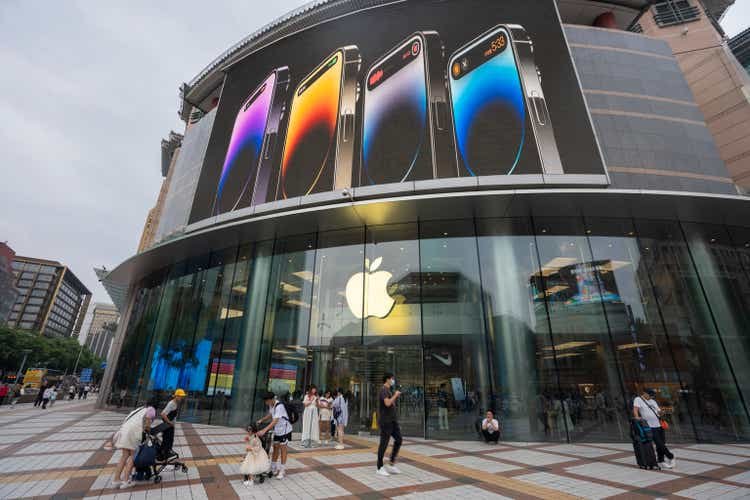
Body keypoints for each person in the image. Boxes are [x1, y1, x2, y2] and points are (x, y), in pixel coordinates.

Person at [112, 402, 157, 489]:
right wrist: (149, 431)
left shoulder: (138, 409)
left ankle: (116, 480)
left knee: (124, 456)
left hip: (124, 431)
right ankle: (126, 481)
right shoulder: (151, 409)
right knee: (133, 456)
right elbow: (148, 422)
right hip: (133, 432)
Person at [634, 388, 675, 469]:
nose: (651, 397)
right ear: (645, 393)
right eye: (650, 395)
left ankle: (661, 461)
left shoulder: (653, 401)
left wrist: (662, 412)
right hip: (650, 426)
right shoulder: (638, 399)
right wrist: (637, 417)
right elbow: (635, 409)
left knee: (661, 444)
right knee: (659, 443)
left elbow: (658, 412)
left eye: (652, 396)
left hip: (659, 425)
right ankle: (671, 456)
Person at [257, 391, 293, 480]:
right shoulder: (271, 405)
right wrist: (262, 420)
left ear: (272, 399)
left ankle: (282, 470)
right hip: (278, 429)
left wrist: (264, 430)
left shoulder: (279, 406)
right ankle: (273, 468)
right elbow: (271, 414)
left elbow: (275, 421)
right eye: (265, 401)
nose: (266, 403)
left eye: (267, 401)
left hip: (285, 430)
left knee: (283, 448)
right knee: (275, 447)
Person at [376, 372, 402, 477]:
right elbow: (387, 403)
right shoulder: (383, 390)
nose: (393, 380)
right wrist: (395, 395)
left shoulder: (388, 390)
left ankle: (391, 463)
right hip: (386, 421)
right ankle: (379, 467)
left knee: (399, 439)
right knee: (384, 443)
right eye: (392, 378)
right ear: (387, 379)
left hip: (393, 421)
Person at [151, 388, 186, 459]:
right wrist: (170, 422)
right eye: (180, 396)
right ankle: (162, 455)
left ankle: (165, 454)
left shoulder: (176, 403)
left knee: (169, 440)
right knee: (167, 440)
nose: (181, 398)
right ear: (176, 396)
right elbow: (163, 414)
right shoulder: (171, 403)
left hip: (170, 426)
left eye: (182, 396)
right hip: (167, 426)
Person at [240, 423, 271, 487]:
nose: (248, 431)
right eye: (247, 430)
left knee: (251, 467)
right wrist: (247, 441)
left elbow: (258, 447)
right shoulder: (251, 437)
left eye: (250, 430)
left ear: (253, 431)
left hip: (257, 455)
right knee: (249, 466)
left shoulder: (256, 438)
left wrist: (251, 448)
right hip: (251, 454)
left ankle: (251, 481)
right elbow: (249, 444)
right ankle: (250, 479)